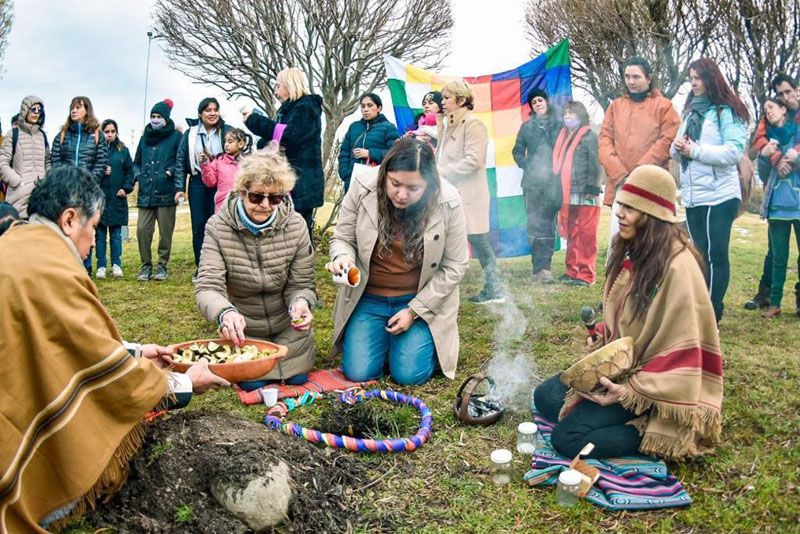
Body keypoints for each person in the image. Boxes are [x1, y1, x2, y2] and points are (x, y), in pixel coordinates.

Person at [0, 165, 228, 532]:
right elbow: (105, 372)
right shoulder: (49, 268)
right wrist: (185, 383)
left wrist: (136, 352)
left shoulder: (20, 245)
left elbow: (64, 342)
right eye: (94, 228)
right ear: (71, 219)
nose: (93, 241)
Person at [534, 165, 723, 461]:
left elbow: (684, 353)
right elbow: (630, 324)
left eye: (631, 208)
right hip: (625, 371)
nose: (620, 213)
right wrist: (604, 343)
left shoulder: (679, 267)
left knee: (567, 439)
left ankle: (645, 429)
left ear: (654, 217)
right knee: (544, 396)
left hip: (657, 386)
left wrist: (629, 391)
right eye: (622, 204)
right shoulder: (634, 248)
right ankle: (607, 414)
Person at [327, 138, 469, 385]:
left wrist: (414, 312)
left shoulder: (449, 200)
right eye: (395, 184)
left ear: (430, 184)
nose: (402, 195)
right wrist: (342, 258)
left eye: (414, 188)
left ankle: (419, 343)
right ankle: (387, 344)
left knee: (409, 376)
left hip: (417, 300)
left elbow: (455, 265)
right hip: (368, 298)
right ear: (384, 173)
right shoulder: (362, 185)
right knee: (358, 373)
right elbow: (343, 238)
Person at [196, 149, 317, 385]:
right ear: (241, 191)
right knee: (253, 381)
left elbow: (302, 284)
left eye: (275, 198)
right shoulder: (217, 227)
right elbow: (208, 287)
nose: (265, 205)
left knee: (297, 378)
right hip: (244, 333)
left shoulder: (297, 225)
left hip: (289, 331)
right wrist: (225, 313)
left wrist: (301, 302)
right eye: (256, 197)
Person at [671, 58, 750, 324]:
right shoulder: (690, 112)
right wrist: (679, 145)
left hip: (721, 194)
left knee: (716, 253)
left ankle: (712, 311)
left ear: (711, 79)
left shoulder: (727, 112)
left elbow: (733, 152)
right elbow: (674, 152)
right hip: (694, 195)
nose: (693, 83)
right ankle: (697, 307)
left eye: (698, 78)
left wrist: (694, 150)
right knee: (698, 254)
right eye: (690, 78)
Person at [599, 56, 680, 246]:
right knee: (617, 241)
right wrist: (619, 173)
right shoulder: (615, 106)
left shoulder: (665, 107)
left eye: (636, 77)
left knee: (649, 245)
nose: (631, 82)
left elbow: (667, 140)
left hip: (651, 185)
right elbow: (604, 140)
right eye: (627, 77)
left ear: (649, 78)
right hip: (620, 184)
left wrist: (639, 172)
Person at [436, 79, 502, 303]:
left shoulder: (473, 124)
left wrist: (444, 172)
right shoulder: (450, 125)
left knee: (478, 240)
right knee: (446, 239)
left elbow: (474, 160)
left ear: (461, 100)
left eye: (446, 98)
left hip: (469, 194)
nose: (442, 102)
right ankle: (441, 286)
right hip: (450, 192)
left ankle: (495, 288)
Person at [243, 68, 324, 239]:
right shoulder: (287, 111)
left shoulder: (307, 108)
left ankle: (303, 265)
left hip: (302, 182)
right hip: (286, 180)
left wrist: (254, 120)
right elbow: (269, 140)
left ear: (290, 85)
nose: (276, 91)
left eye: (278, 86)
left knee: (299, 232)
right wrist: (276, 138)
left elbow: (290, 135)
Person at [745, 74, 800, 312]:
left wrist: (794, 161)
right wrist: (773, 158)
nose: (785, 98)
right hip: (778, 198)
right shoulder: (765, 128)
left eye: (788, 93)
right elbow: (762, 165)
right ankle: (767, 295)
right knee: (775, 252)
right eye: (781, 95)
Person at [175, 97, 233, 280]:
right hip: (198, 182)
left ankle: (223, 266)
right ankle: (202, 267)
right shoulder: (190, 134)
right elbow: (179, 161)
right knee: (199, 226)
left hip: (222, 182)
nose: (213, 113)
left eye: (216, 109)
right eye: (208, 110)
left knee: (221, 224)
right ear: (200, 114)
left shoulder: (227, 130)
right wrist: (179, 187)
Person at [51, 96, 109, 276]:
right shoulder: (62, 135)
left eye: (78, 107)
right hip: (66, 191)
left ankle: (85, 268)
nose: (74, 111)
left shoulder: (96, 135)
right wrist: (64, 181)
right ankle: (67, 268)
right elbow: (55, 161)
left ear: (87, 110)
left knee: (84, 227)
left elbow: (101, 162)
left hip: (86, 191)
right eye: (72, 108)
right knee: (66, 228)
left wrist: (86, 183)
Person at [512, 88, 562, 282]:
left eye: (540, 100)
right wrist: (528, 166)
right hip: (532, 184)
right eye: (534, 102)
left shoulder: (558, 125)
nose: (538, 104)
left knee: (548, 224)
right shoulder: (526, 127)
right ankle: (537, 269)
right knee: (533, 224)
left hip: (553, 183)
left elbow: (565, 150)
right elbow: (516, 151)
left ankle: (546, 269)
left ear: (547, 102)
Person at [131, 99, 183, 282]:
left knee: (165, 232)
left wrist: (171, 171)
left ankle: (162, 265)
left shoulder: (176, 137)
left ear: (166, 118)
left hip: (166, 192)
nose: (154, 119)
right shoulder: (144, 138)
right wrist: (139, 175)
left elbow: (181, 160)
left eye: (158, 116)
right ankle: (146, 265)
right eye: (152, 116)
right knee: (142, 230)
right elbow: (136, 162)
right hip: (146, 192)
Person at [757, 98, 800, 318]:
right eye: (765, 110)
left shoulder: (797, 134)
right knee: (778, 258)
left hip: (798, 205)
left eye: (771, 107)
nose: (768, 112)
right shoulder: (767, 141)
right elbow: (763, 174)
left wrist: (796, 160)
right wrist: (765, 158)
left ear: (784, 109)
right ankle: (774, 304)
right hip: (777, 207)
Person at [552, 100, 602, 286]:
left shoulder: (589, 136)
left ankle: (586, 274)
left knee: (587, 234)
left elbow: (596, 163)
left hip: (586, 192)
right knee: (572, 232)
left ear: (580, 116)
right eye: (565, 113)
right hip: (568, 192)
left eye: (571, 113)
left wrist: (593, 188)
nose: (567, 117)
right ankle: (571, 270)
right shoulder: (563, 136)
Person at [95, 119, 134, 279]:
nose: (110, 135)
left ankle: (117, 264)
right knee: (100, 235)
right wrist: (101, 171)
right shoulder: (96, 151)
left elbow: (130, 172)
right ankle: (101, 265)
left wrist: (125, 188)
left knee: (116, 235)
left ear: (116, 132)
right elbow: (91, 171)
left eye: (112, 131)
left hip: (118, 198)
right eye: (107, 131)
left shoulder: (123, 150)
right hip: (101, 198)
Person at [338, 93, 400, 192]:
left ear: (379, 108)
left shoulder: (388, 127)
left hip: (376, 182)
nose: (365, 109)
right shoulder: (354, 127)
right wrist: (345, 174)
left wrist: (370, 153)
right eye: (362, 106)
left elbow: (395, 154)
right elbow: (344, 152)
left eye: (370, 105)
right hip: (352, 181)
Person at [0, 96, 50, 218]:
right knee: (18, 231)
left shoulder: (42, 135)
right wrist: (16, 181)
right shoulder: (13, 134)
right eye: (33, 109)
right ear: (25, 110)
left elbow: (47, 161)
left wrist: (46, 180)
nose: (36, 113)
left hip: (40, 194)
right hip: (18, 195)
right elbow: (2, 162)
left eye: (39, 110)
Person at [200, 127, 252, 212]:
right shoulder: (219, 161)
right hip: (222, 204)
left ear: (241, 144)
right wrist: (205, 164)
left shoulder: (249, 163)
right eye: (225, 141)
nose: (226, 144)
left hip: (244, 205)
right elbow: (210, 182)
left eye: (230, 141)